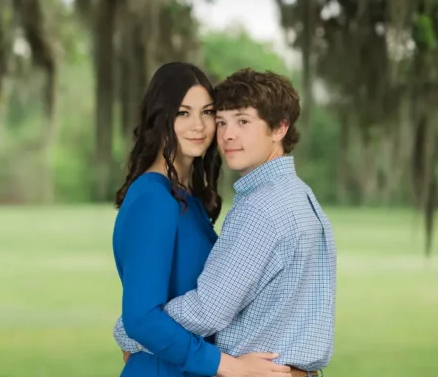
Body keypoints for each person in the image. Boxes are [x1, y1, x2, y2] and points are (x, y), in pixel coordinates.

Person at [115, 68, 336, 377]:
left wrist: (130, 330)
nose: (222, 132)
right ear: (160, 118)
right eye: (222, 121)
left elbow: (207, 307)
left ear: (280, 129)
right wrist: (139, 326)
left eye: (208, 113)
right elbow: (157, 314)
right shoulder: (156, 198)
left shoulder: (250, 205)